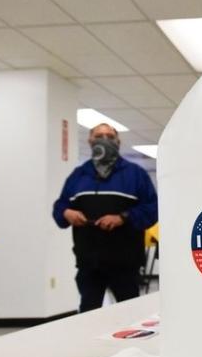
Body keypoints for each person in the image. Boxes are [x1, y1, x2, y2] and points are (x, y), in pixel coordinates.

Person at [53, 123, 158, 312]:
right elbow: (60, 206)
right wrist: (66, 212)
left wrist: (123, 217)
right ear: (90, 141)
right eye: (99, 136)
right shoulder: (78, 176)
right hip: (88, 262)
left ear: (118, 141)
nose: (104, 140)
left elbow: (153, 209)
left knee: (129, 314)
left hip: (125, 262)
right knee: (88, 312)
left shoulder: (135, 174)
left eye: (110, 136)